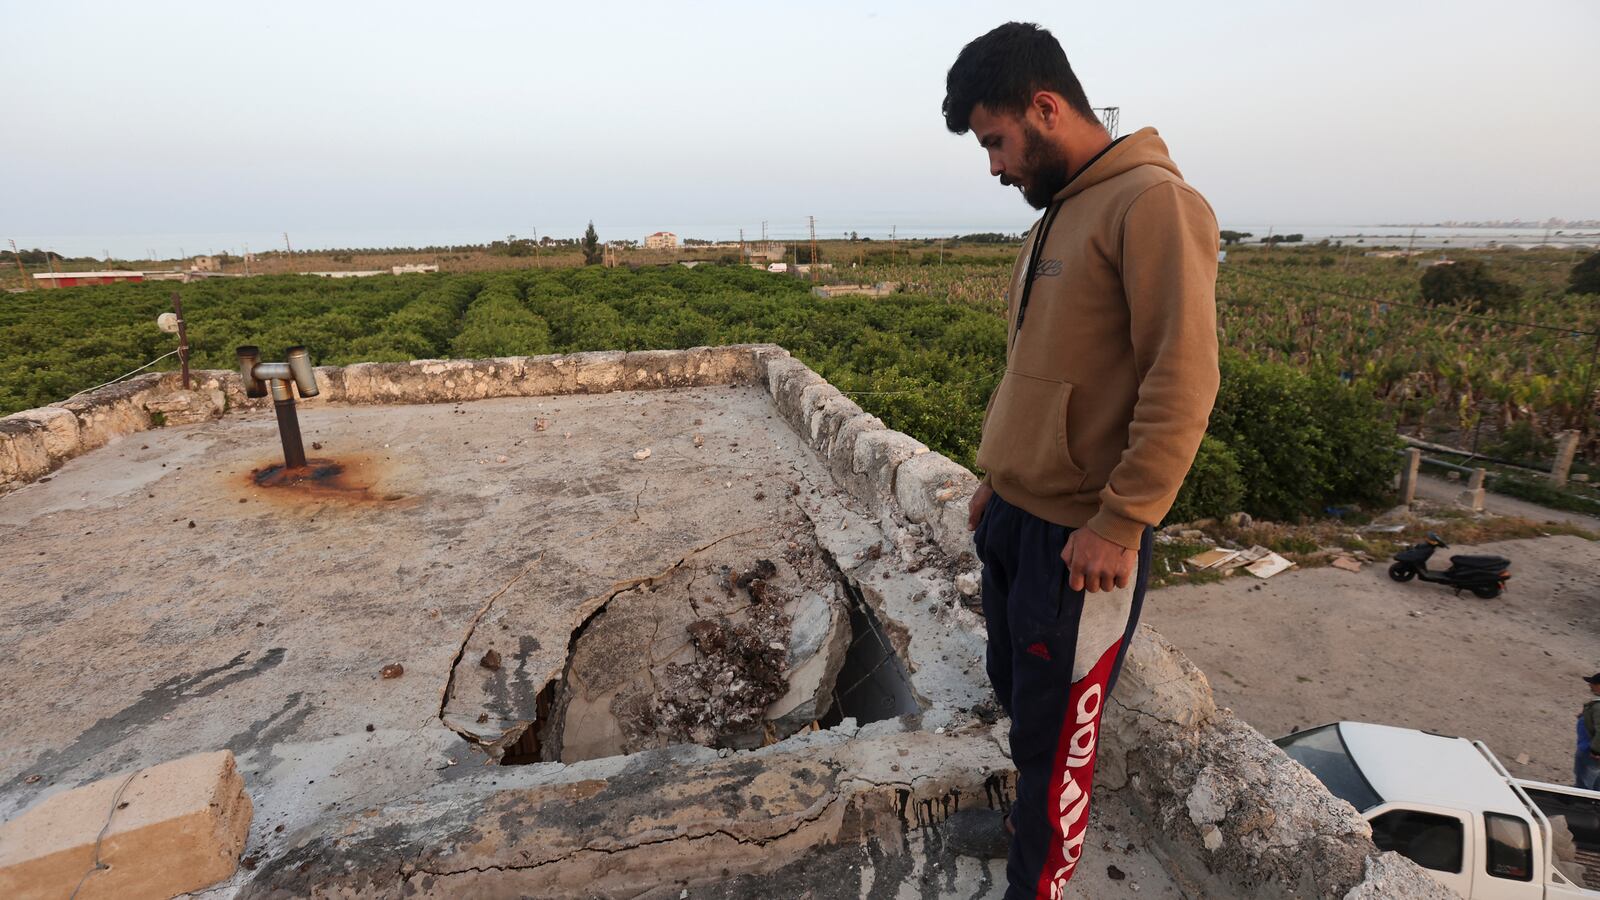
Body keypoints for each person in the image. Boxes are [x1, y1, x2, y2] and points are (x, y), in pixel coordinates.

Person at [944, 22, 1220, 898]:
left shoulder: (1154, 204)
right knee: (1025, 713)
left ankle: (1041, 880)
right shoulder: (1062, 212)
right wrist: (1003, 476)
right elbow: (1044, 366)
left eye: (996, 141)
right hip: (1019, 520)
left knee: (1062, 739)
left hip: (1081, 547)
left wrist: (1124, 518)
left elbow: (1183, 375)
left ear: (1046, 107)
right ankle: (1027, 821)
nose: (994, 166)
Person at [1578, 672, 1600, 790]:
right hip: (1588, 746)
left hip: (1592, 752)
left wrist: (1596, 751)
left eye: (1593, 683)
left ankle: (1582, 800)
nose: (1589, 685)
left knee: (1587, 776)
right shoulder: (1596, 703)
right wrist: (1584, 715)